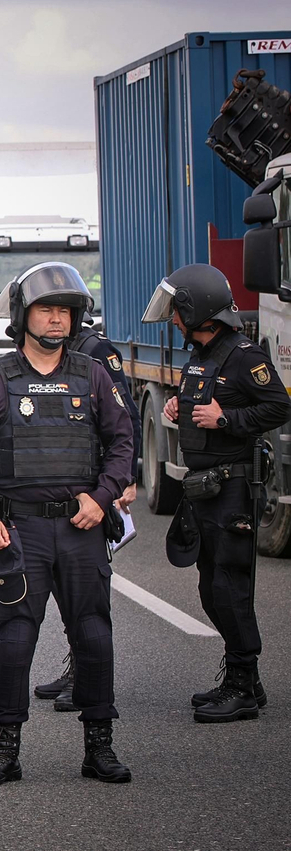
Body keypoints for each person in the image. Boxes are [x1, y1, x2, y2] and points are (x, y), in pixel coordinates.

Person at [0, 262, 134, 787]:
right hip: (20, 533)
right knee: (15, 640)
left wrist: (103, 497)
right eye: (46, 309)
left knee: (94, 636)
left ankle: (99, 747)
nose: (57, 320)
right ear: (23, 315)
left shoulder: (92, 375)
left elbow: (123, 442)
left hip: (81, 530)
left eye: (65, 312)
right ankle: (5, 751)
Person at [142, 263, 288, 723]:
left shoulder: (243, 355)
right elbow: (200, 403)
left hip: (234, 488)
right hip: (204, 487)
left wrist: (227, 420)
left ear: (197, 310)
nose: (173, 319)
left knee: (229, 588)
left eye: (177, 311)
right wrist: (178, 405)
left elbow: (278, 406)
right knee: (210, 588)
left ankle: (242, 686)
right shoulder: (200, 356)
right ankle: (247, 681)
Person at [34, 317, 141, 713]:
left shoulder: (95, 351)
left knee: (85, 598)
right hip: (60, 486)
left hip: (91, 489)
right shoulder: (48, 354)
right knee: (64, 594)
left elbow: (125, 416)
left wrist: (126, 478)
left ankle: (86, 677)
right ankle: (76, 666)